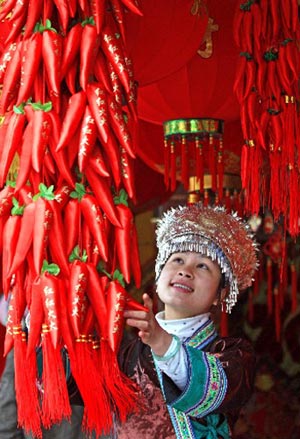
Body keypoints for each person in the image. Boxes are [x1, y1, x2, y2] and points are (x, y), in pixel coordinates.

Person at [116, 202, 258, 439]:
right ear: (159, 275)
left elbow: (211, 392)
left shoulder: (234, 356)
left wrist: (162, 343)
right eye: (178, 260)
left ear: (220, 294)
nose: (186, 271)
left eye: (203, 265)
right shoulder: (128, 355)